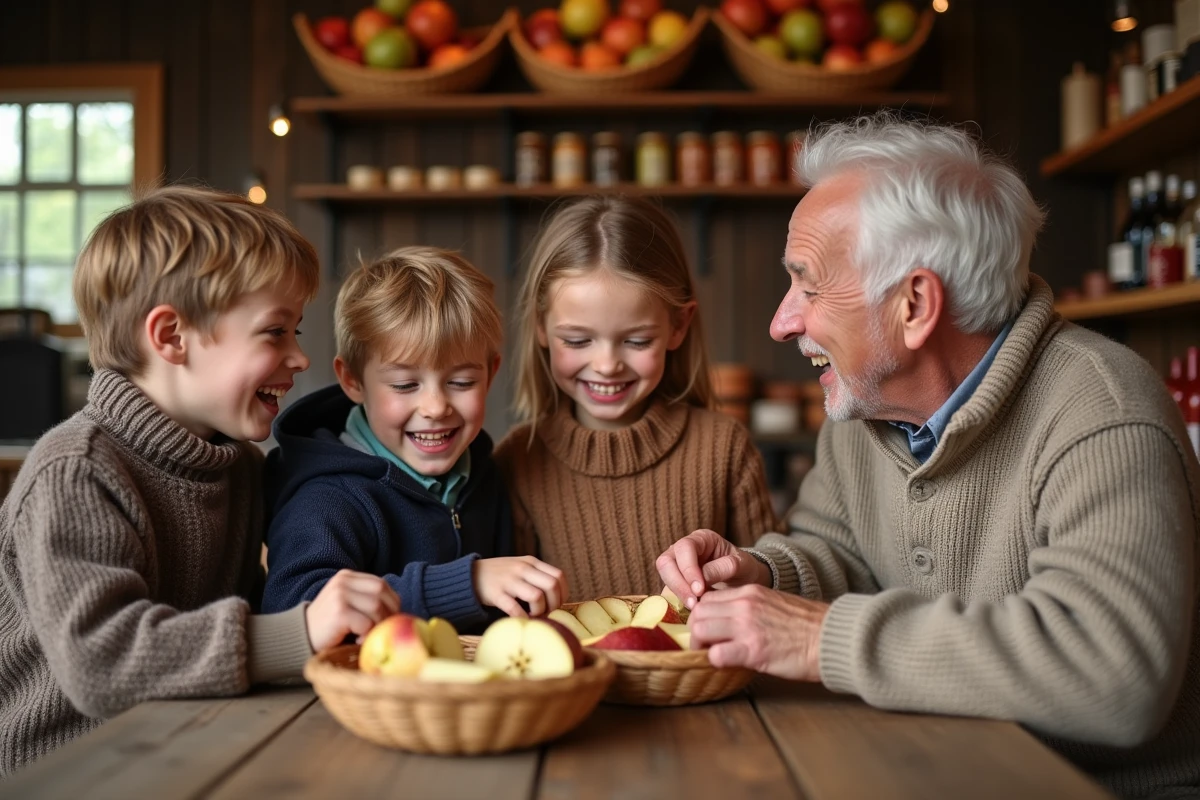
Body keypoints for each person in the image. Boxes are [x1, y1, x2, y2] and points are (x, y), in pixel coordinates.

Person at [656, 113, 1200, 799]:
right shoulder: (863, 408)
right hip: (933, 763)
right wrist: (759, 574)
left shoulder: (1102, 411)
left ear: (914, 304)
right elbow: (838, 553)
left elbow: (1115, 675)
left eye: (810, 286)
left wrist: (819, 637)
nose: (782, 320)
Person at [0, 186, 399, 777]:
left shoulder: (238, 467)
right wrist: (299, 633)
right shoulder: (76, 472)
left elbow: (243, 622)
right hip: (66, 773)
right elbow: (103, 663)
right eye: (274, 332)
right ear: (170, 337)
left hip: (183, 750)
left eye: (297, 330)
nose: (300, 358)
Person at [262, 247, 566, 629]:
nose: (436, 407)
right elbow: (293, 612)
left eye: (461, 382)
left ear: (491, 373)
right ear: (352, 380)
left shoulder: (484, 476)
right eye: (405, 385)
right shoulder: (327, 497)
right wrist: (465, 583)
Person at [494, 196, 779, 601]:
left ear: (679, 326)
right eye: (577, 340)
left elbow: (776, 583)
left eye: (636, 340)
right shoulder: (516, 462)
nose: (607, 364)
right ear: (541, 326)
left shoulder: (724, 448)